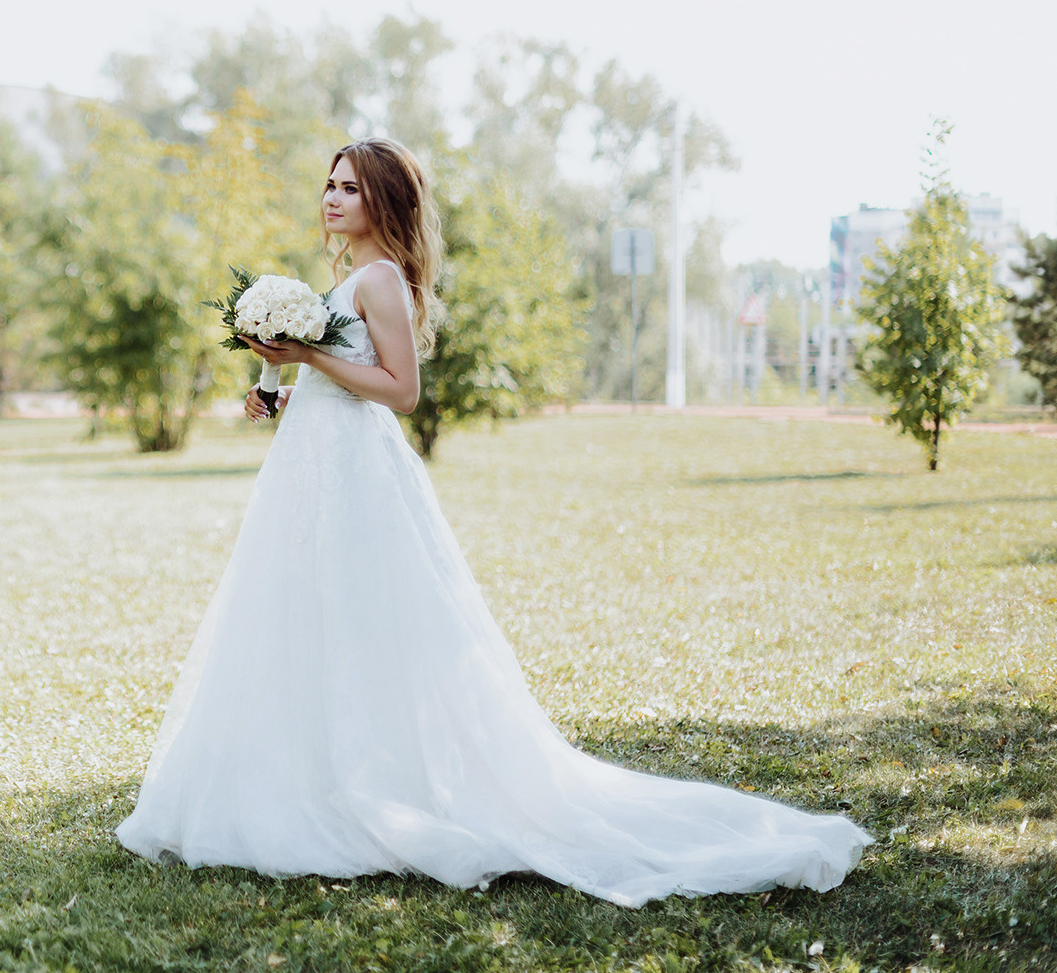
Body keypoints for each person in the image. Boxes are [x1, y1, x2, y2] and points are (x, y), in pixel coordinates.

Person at [114, 138, 869, 907]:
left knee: (360, 618)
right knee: (310, 617)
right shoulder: (348, 280)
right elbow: (341, 381)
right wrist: (276, 387)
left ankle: (371, 787)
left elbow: (401, 390)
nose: (332, 198)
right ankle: (308, 777)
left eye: (350, 188)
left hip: (356, 472)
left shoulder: (380, 278)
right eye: (329, 185)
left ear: (383, 200)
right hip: (315, 465)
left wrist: (308, 361)